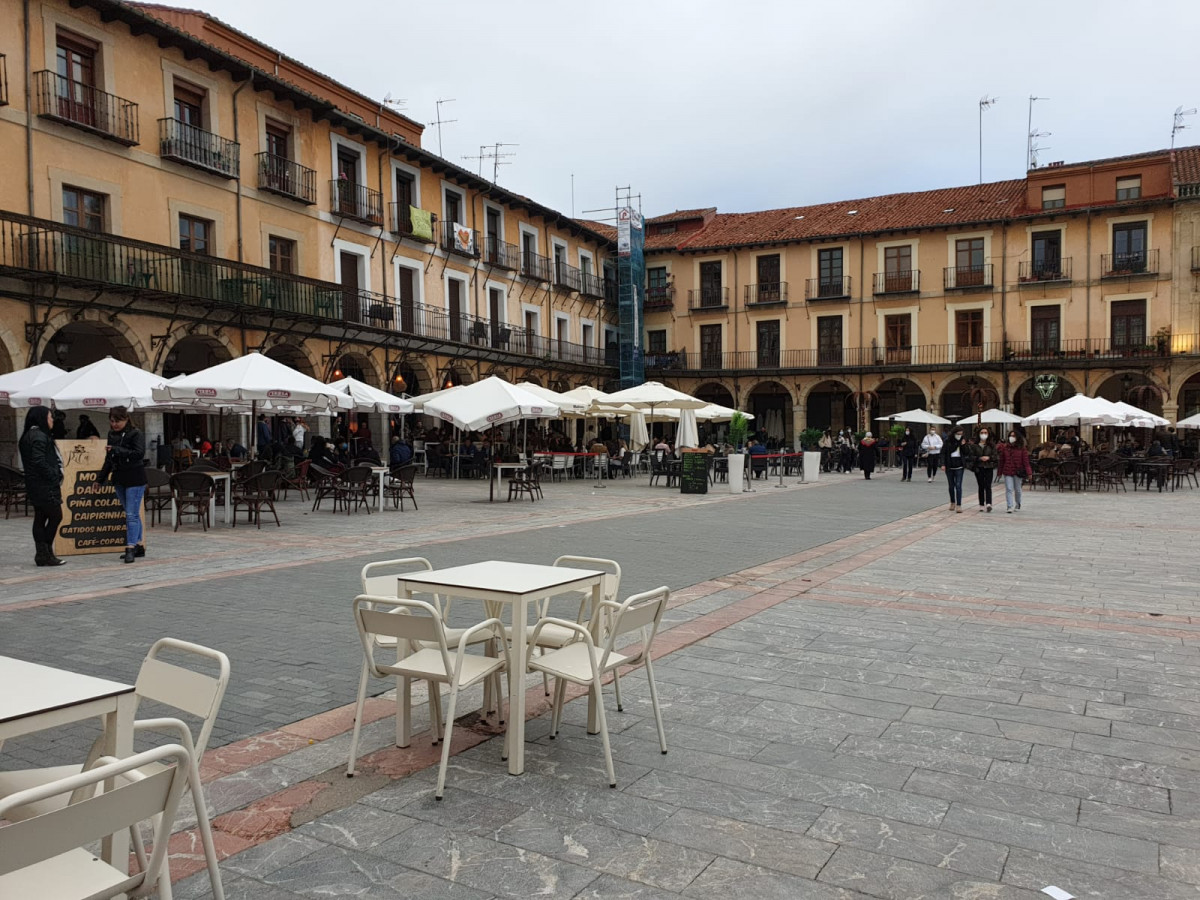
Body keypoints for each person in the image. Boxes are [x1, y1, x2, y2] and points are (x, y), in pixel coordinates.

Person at [18, 405, 66, 567]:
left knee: (41, 517)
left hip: (35, 484)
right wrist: (53, 474)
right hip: (45, 485)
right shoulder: (38, 436)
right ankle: (45, 553)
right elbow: (39, 461)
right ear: (41, 418)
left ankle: (43, 554)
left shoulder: (28, 435)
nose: (52, 420)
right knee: (55, 516)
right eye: (50, 417)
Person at [98, 406, 147, 564]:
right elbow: (109, 459)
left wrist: (118, 450)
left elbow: (139, 453)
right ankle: (138, 545)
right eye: (112, 421)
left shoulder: (136, 433)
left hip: (134, 477)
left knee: (131, 514)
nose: (115, 424)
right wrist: (100, 479)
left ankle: (130, 547)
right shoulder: (111, 435)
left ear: (126, 419)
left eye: (118, 421)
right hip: (119, 478)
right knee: (131, 512)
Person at [998, 430, 1033, 513]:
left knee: (1017, 489)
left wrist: (1029, 473)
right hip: (1007, 471)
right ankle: (1009, 506)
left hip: (1018, 471)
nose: (1011, 437)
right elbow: (1001, 461)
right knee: (1009, 489)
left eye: (1013, 436)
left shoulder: (1022, 449)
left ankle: (1018, 503)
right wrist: (999, 472)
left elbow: (1026, 462)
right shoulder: (1005, 448)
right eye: (1010, 435)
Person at [965, 428, 997, 512]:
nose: (984, 434)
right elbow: (970, 457)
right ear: (979, 434)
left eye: (985, 432)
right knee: (981, 486)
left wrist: (989, 458)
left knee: (988, 485)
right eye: (982, 432)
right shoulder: (974, 446)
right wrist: (979, 458)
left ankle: (989, 503)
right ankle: (981, 504)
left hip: (989, 467)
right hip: (979, 467)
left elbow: (996, 456)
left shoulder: (991, 445)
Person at [940, 426, 967, 512]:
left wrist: (963, 445)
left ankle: (959, 505)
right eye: (958, 434)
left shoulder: (963, 441)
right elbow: (943, 453)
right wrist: (943, 464)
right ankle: (952, 502)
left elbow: (967, 452)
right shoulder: (948, 441)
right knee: (951, 485)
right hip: (949, 465)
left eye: (961, 434)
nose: (959, 435)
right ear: (954, 433)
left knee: (958, 485)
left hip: (959, 465)